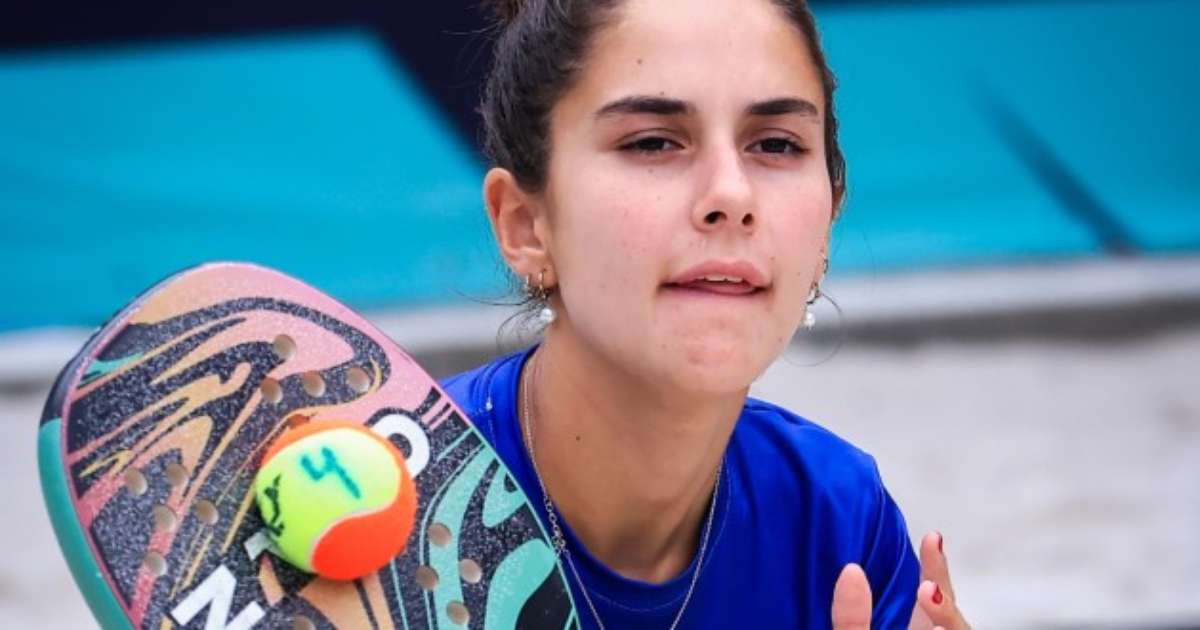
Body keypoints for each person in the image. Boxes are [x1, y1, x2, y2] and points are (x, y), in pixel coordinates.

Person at [441, 0, 971, 627]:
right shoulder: (395, 503)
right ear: (526, 225)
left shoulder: (836, 520)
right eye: (653, 142)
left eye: (775, 144)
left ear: (828, 220)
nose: (731, 195)